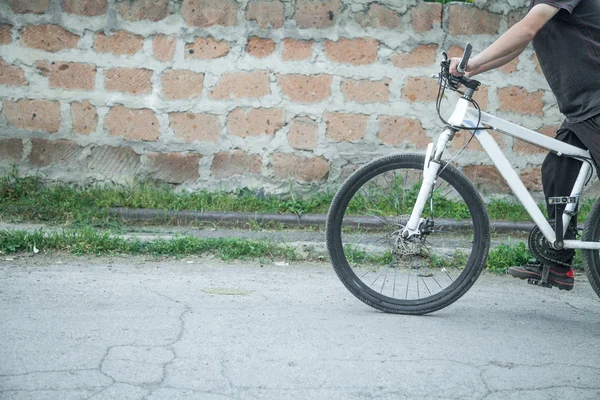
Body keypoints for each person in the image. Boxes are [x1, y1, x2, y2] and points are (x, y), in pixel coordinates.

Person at [449, 0, 600, 290]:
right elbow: (518, 44)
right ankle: (557, 263)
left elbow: (527, 29)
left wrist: (472, 62)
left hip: (595, 105)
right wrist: (469, 71)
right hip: (583, 109)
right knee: (558, 172)